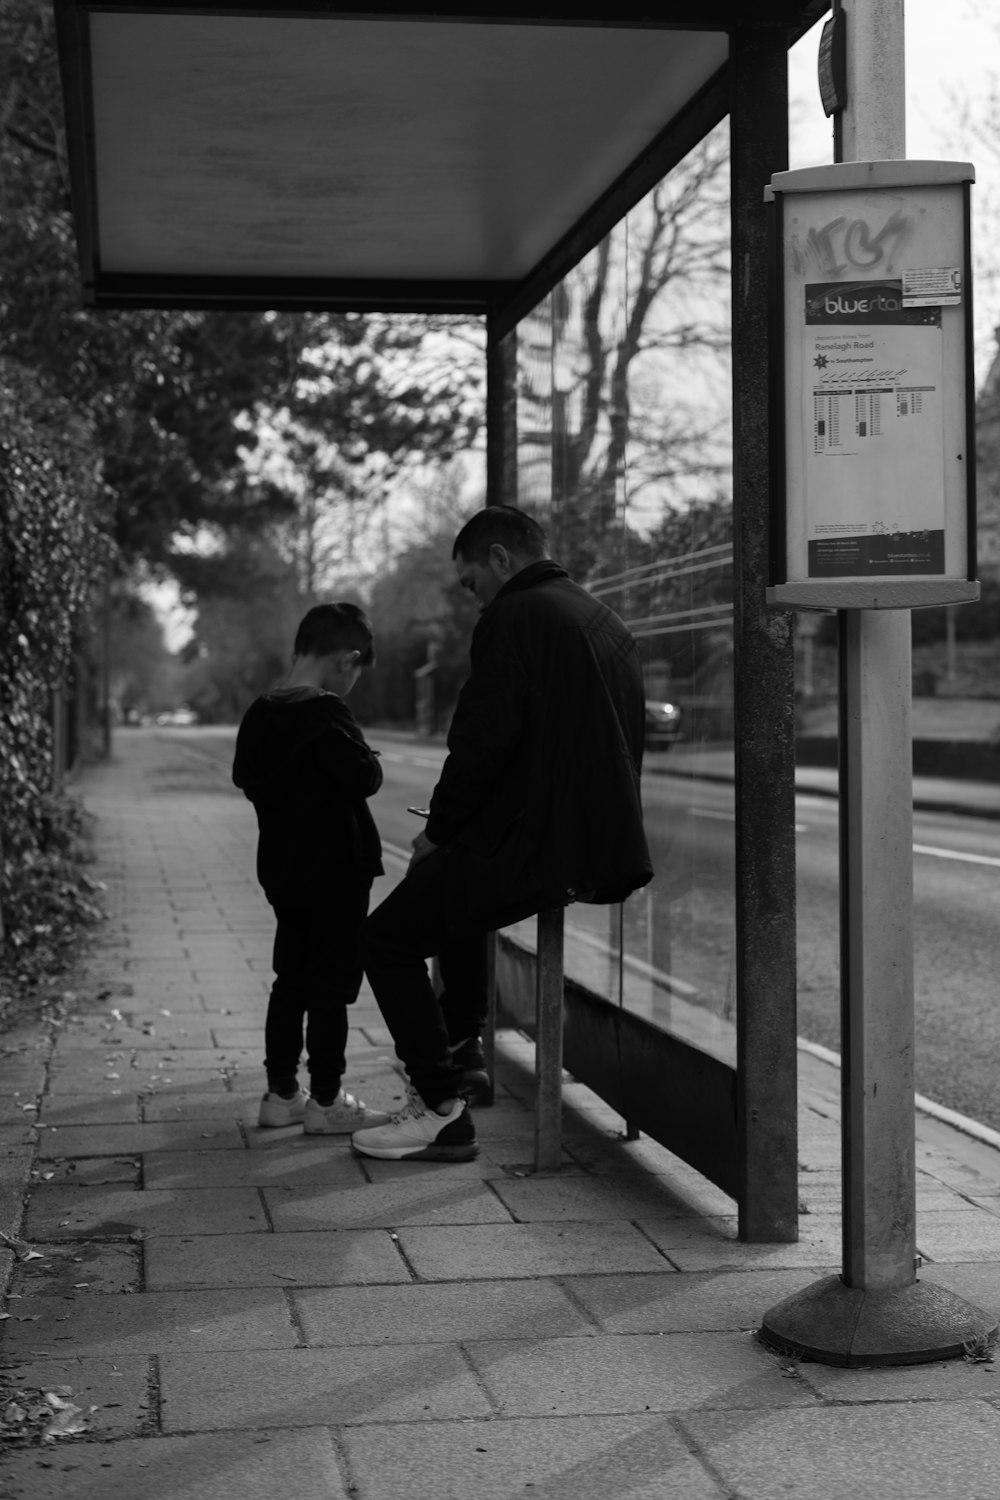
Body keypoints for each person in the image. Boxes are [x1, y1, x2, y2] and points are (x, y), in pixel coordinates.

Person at [352, 505, 653, 1164]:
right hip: (596, 842)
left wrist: (442, 830)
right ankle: (463, 1051)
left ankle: (440, 1108)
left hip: (535, 842)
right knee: (455, 907)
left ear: (498, 559)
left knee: (384, 940)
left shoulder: (515, 617)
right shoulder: (604, 620)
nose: (473, 598)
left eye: (470, 582)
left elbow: (481, 740)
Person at [232, 602, 392, 1134]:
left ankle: (281, 1094)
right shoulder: (325, 713)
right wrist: (368, 756)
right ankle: (326, 1100)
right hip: (337, 871)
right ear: (348, 659)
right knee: (332, 986)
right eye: (357, 671)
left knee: (290, 979)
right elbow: (364, 778)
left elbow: (247, 778)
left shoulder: (260, 713)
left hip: (283, 869)